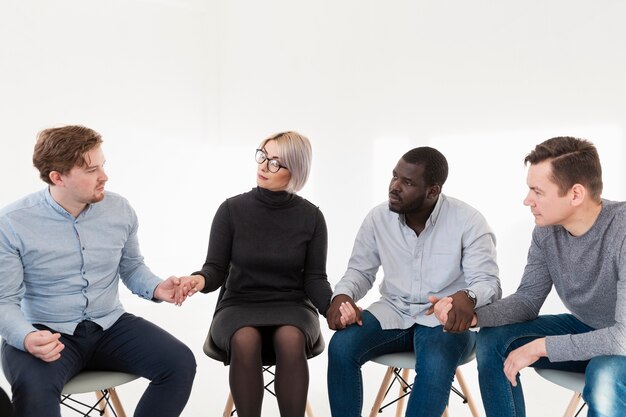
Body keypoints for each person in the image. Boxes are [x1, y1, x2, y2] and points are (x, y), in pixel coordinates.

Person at [0, 125, 196, 417]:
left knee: (179, 363)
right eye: (91, 170)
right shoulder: (13, 222)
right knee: (33, 393)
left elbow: (131, 267)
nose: (104, 176)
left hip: (110, 326)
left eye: (102, 165)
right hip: (45, 332)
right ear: (58, 177)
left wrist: (156, 287)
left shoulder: (120, 210)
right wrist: (27, 337)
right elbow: (4, 300)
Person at [432, 136, 626, 417]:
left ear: (575, 194)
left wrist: (542, 347)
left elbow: (622, 338)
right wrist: (474, 316)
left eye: (538, 191)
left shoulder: (621, 230)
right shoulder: (546, 232)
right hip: (593, 329)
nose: (527, 200)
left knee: (604, 373)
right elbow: (527, 301)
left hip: (620, 341)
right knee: (494, 339)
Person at [326, 146, 501, 417]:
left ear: (433, 191)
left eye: (407, 182)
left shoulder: (468, 221)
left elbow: (488, 282)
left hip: (445, 321)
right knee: (341, 346)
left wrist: (466, 297)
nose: (394, 187)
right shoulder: (378, 218)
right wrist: (342, 296)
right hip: (393, 311)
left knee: (436, 361)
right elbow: (360, 271)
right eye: (394, 176)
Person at [178, 131, 332, 417]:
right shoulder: (231, 210)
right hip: (239, 304)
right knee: (244, 339)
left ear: (295, 171)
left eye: (276, 163)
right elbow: (215, 268)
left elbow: (314, 279)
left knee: (291, 338)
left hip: (293, 305)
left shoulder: (311, 217)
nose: (263, 166)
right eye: (263, 155)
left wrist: (333, 308)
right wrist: (198, 279)